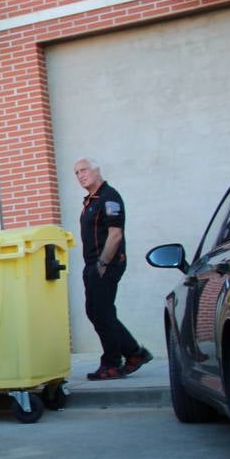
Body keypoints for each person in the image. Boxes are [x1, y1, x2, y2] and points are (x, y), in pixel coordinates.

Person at [75, 158, 152, 381]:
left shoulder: (109, 197)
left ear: (97, 170)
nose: (81, 175)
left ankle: (112, 363)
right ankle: (135, 353)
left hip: (106, 264)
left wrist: (102, 264)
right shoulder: (91, 200)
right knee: (97, 312)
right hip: (93, 265)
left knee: (101, 312)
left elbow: (115, 234)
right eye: (77, 172)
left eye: (84, 170)